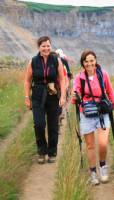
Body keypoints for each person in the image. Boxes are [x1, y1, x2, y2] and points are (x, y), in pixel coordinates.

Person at [72, 50, 114, 185]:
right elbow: (74, 96)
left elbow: (110, 91)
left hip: (103, 113)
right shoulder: (79, 78)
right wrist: (74, 96)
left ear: (96, 61)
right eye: (86, 61)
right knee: (90, 146)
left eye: (91, 60)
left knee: (103, 143)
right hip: (86, 114)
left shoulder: (103, 74)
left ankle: (103, 166)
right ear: (83, 63)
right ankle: (93, 173)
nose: (89, 64)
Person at [24, 36, 66, 164]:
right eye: (43, 46)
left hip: (53, 95)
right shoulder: (33, 61)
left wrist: (63, 96)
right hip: (37, 95)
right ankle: (42, 151)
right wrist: (27, 97)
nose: (46, 48)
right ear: (39, 47)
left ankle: (52, 152)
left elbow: (62, 79)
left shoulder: (56, 60)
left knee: (53, 125)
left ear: (50, 46)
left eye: (48, 45)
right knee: (39, 124)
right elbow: (27, 80)